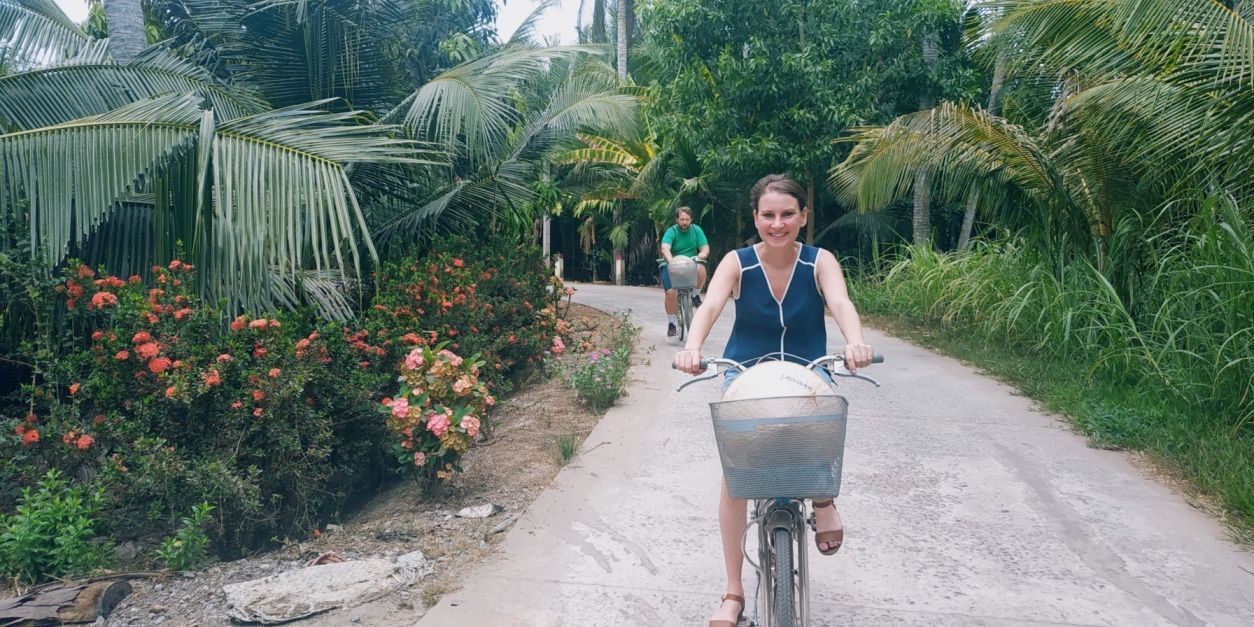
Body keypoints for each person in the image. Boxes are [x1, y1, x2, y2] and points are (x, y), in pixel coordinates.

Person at [673, 174, 874, 627]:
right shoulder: (737, 262)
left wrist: (856, 341)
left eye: (788, 214)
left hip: (808, 369)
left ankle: (823, 501)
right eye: (768, 215)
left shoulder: (820, 261)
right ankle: (733, 592)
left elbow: (840, 303)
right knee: (736, 478)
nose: (777, 224)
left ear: (803, 216)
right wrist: (692, 347)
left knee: (818, 420)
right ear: (755, 217)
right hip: (745, 373)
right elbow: (708, 307)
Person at [660, 206, 710, 337]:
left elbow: (704, 247)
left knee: (701, 268)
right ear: (677, 219)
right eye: (682, 219)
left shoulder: (696, 230)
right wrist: (671, 262)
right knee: (671, 292)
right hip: (671, 264)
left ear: (691, 219)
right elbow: (665, 248)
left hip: (690, 263)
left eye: (687, 219)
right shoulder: (672, 231)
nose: (684, 222)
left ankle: (695, 295)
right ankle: (671, 324)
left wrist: (703, 254)